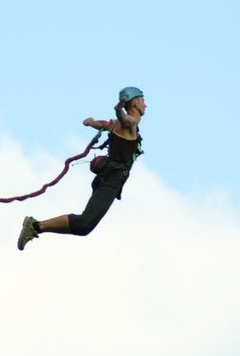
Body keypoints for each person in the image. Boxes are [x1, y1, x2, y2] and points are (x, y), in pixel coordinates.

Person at [17, 86, 146, 251]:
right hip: (110, 181)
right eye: (143, 100)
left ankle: (36, 226)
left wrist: (91, 122)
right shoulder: (129, 123)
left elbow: (106, 124)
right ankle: (35, 226)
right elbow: (125, 120)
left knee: (85, 225)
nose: (145, 105)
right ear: (134, 103)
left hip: (108, 180)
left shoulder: (119, 126)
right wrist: (118, 110)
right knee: (84, 224)